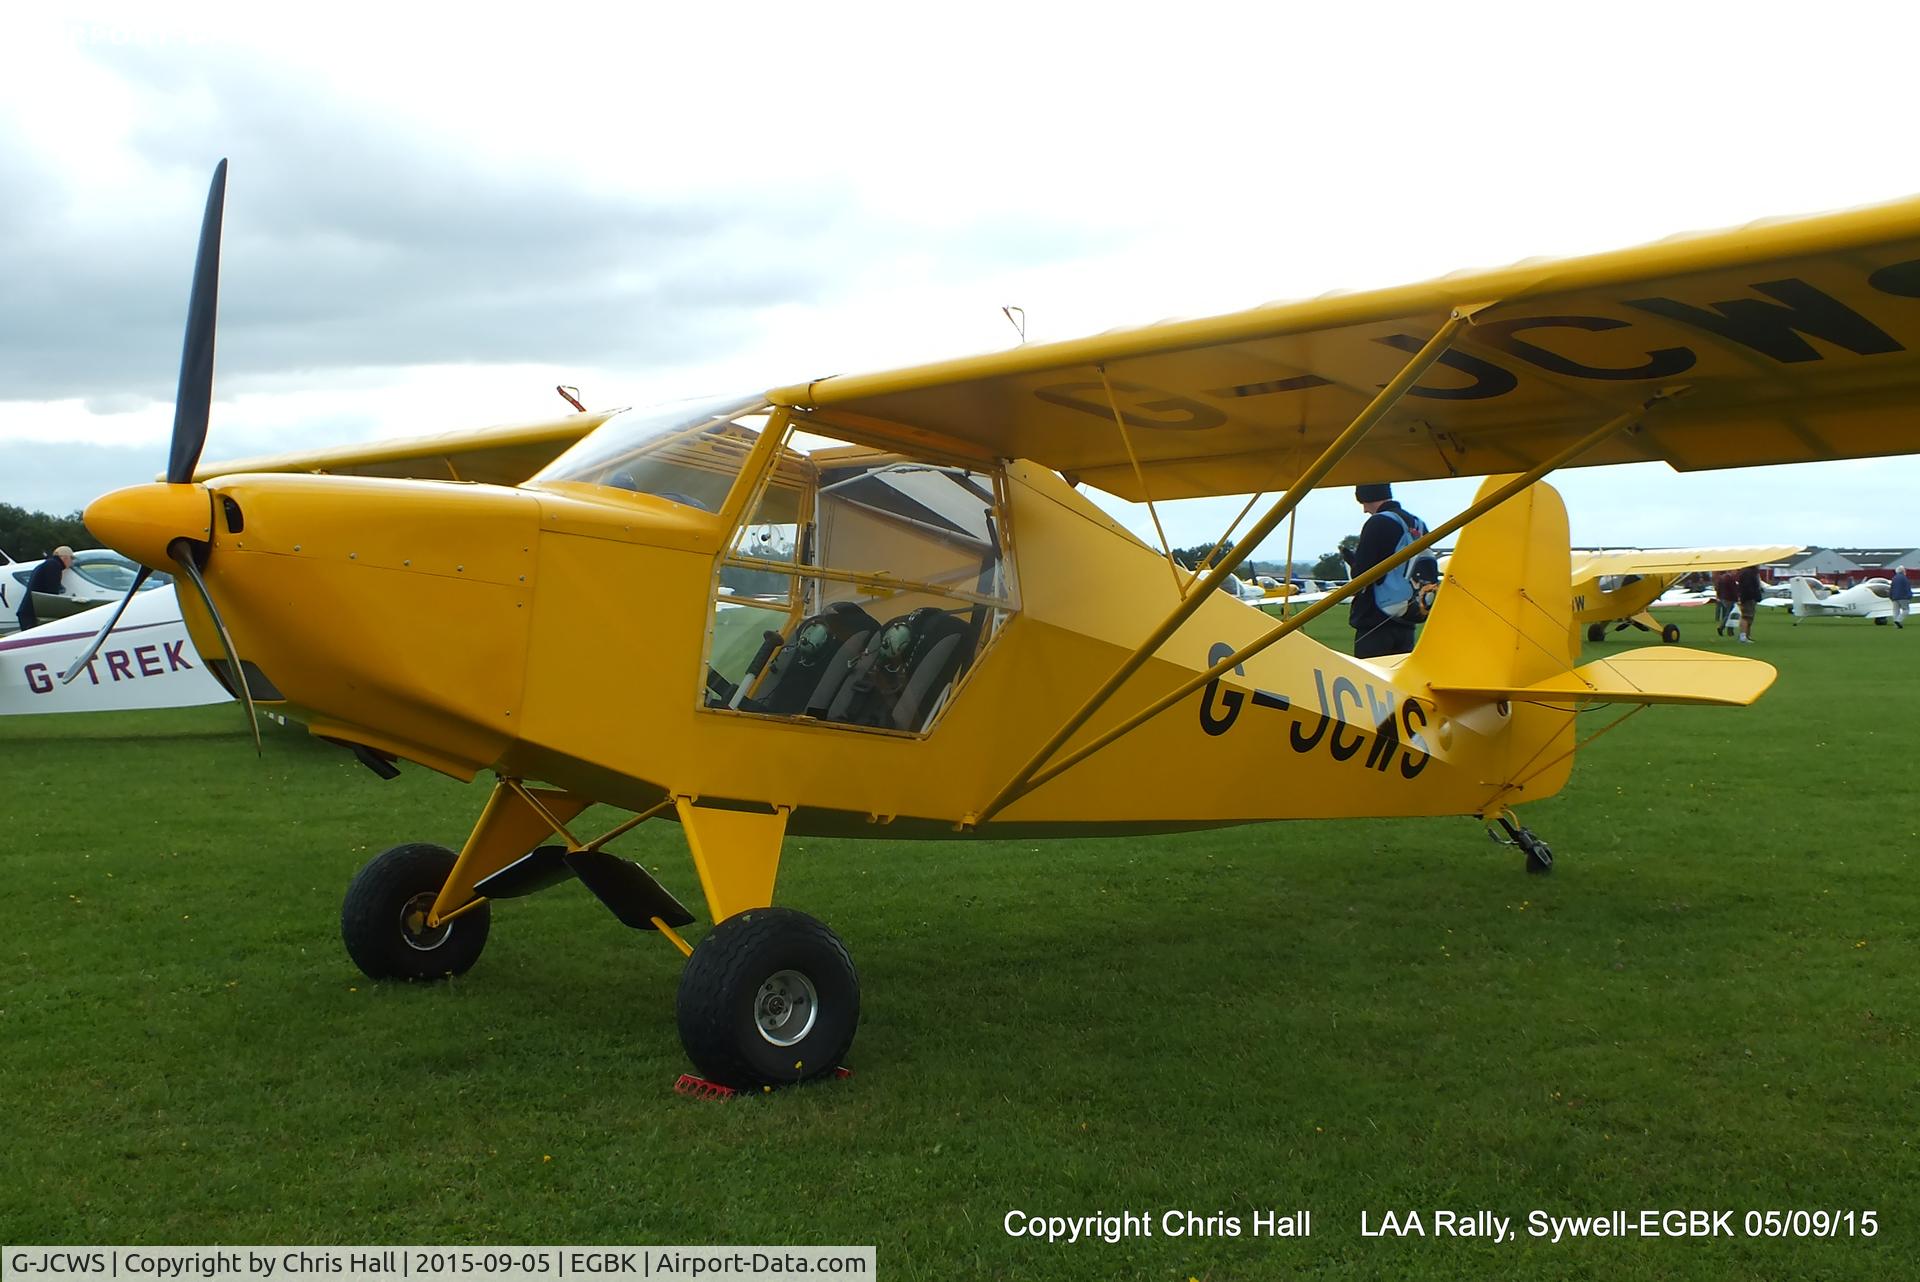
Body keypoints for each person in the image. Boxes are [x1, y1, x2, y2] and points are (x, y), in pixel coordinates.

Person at [1345, 482, 1428, 659]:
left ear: (1368, 498)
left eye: (1364, 504)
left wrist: (1352, 561)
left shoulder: (1378, 522)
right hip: (1407, 615)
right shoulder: (1417, 523)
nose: (1365, 510)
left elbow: (1362, 573)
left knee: (1368, 676)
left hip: (1376, 617)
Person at [14, 545, 73, 632]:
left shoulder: (48, 564)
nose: (72, 561)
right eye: (71, 558)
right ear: (64, 558)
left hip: (28, 613)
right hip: (32, 615)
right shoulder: (53, 566)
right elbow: (51, 593)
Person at [1736, 564, 1763, 644]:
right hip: (1748, 598)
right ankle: (1743, 636)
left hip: (1748, 597)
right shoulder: (1749, 573)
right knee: (1746, 616)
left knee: (1749, 617)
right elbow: (1748, 587)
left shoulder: (1747, 572)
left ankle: (1746, 635)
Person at [1713, 570, 1738, 636]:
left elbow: (1718, 588)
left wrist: (1719, 596)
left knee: (1729, 614)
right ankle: (1723, 628)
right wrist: (1737, 598)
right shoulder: (1730, 578)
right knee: (1731, 614)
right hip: (1730, 598)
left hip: (1723, 598)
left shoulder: (1721, 578)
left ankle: (1729, 630)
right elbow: (1734, 590)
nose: (1736, 572)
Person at [1890, 565, 1911, 629]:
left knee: (1895, 611)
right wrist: (1909, 595)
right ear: (1903, 571)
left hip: (1894, 597)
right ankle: (1898, 620)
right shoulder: (1904, 578)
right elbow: (1907, 588)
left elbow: (1892, 588)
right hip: (1903, 597)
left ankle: (1896, 625)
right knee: (1906, 610)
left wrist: (1891, 596)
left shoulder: (1894, 578)